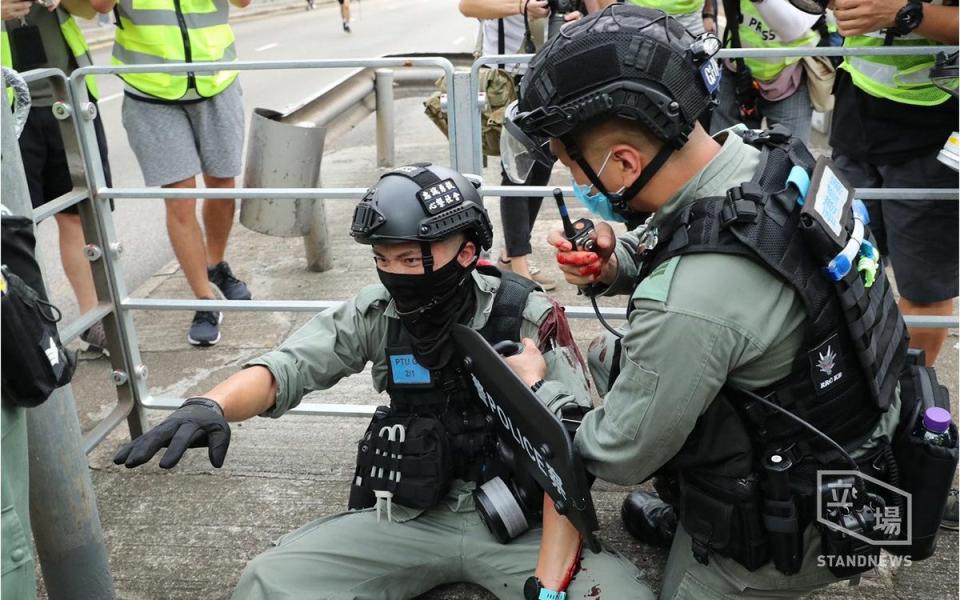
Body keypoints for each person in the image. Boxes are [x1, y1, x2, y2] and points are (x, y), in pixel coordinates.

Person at [508, 6, 918, 598]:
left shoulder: (690, 301)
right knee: (610, 361)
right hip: (856, 435)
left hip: (802, 518)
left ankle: (745, 555)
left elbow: (620, 454)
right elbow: (705, 231)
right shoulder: (766, 155)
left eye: (575, 166)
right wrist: (617, 262)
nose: (574, 181)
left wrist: (539, 389)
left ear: (623, 162)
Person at [112, 164, 654, 600]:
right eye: (382, 259)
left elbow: (570, 452)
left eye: (412, 257)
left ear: (466, 251)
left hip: (524, 525)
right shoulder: (380, 311)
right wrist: (211, 404)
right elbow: (289, 367)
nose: (396, 272)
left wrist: (552, 584)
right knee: (269, 581)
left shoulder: (528, 316)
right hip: (411, 517)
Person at [89, 0, 253, 347]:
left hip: (216, 78)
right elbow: (99, 5)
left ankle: (215, 264)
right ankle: (203, 299)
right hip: (150, 90)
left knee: (222, 186)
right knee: (180, 198)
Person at [829, 0, 958, 367]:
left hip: (937, 129)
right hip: (856, 113)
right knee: (840, 269)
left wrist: (906, 14)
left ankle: (911, 400)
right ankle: (859, 391)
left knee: (923, 290)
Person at [2, 0, 113, 354]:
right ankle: (24, 337)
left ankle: (92, 323)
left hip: (66, 95)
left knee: (77, 213)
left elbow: (94, 8)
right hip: (8, 110)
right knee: (11, 228)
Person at [459, 0, 559, 290]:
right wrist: (521, 7)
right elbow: (468, 6)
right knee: (516, 171)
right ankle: (518, 263)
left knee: (542, 164)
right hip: (507, 79)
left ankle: (510, 253)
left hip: (545, 73)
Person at [709, 0, 822, 143]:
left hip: (789, 76)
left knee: (791, 157)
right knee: (722, 151)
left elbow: (791, 29)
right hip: (737, 68)